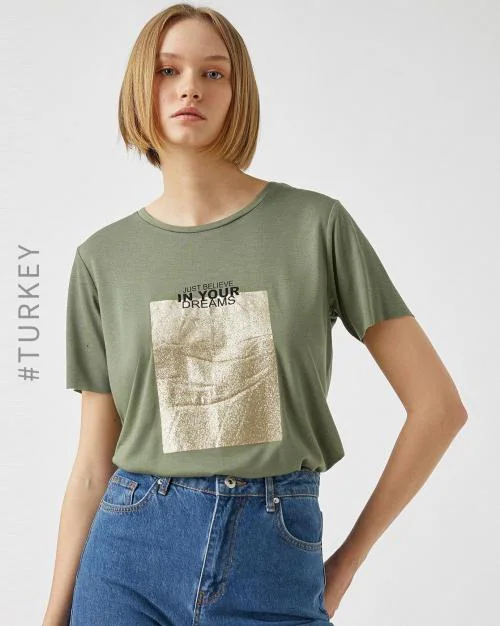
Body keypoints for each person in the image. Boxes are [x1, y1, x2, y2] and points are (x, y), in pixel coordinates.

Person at [43, 4, 468, 625]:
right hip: (127, 560)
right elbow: (90, 466)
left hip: (273, 558)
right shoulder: (102, 258)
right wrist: (54, 615)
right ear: (140, 86)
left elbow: (438, 408)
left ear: (238, 92)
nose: (190, 87)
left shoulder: (315, 226)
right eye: (168, 70)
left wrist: (345, 565)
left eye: (213, 73)